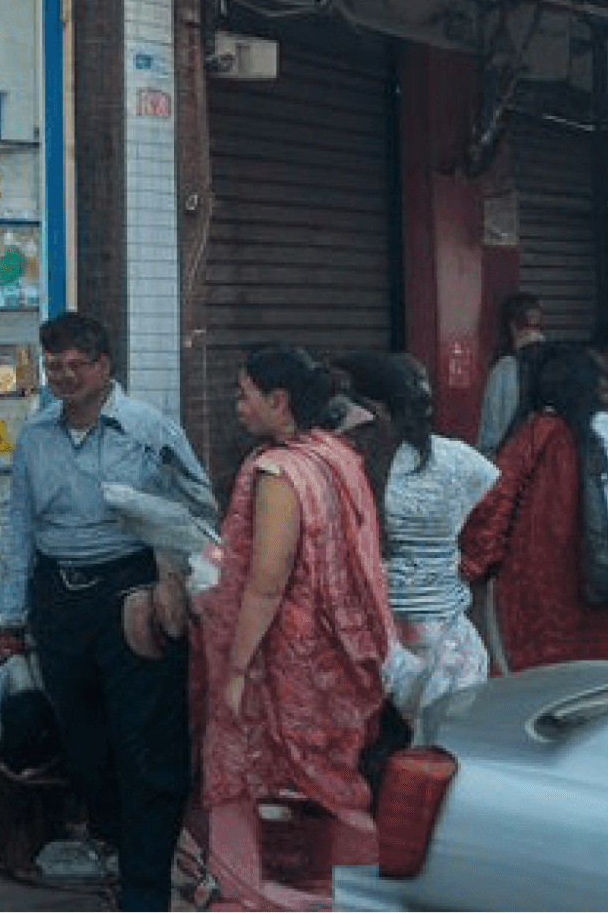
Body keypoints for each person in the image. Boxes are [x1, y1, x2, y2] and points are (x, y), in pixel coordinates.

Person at [0, 310, 211, 913]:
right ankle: (120, 846)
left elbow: (198, 507)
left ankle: (145, 892)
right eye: (53, 364)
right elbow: (17, 527)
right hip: (59, 601)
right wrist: (7, 618)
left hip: (130, 598)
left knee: (145, 746)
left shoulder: (147, 429)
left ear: (104, 366)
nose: (63, 375)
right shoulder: (34, 437)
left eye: (75, 364)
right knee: (84, 745)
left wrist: (166, 564)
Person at [194, 344, 392, 912]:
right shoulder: (337, 455)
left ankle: (253, 895)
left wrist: (235, 669)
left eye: (244, 393)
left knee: (246, 780)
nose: (237, 405)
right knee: (329, 781)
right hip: (337, 652)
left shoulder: (279, 470)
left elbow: (268, 580)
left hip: (285, 660)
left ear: (277, 400)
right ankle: (344, 891)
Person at [458, 341, 608, 668]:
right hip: (606, 584)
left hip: (536, 580)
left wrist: (472, 567)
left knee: (542, 679)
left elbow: (494, 506)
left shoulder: (535, 434)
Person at [339, 350, 497, 721]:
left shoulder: (346, 463)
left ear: (371, 408)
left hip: (368, 641)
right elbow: (489, 519)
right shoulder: (461, 460)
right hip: (446, 645)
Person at [474, 292, 543, 452]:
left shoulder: (552, 364)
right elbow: (491, 426)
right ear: (513, 327)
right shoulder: (505, 368)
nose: (535, 334)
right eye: (527, 326)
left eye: (538, 327)